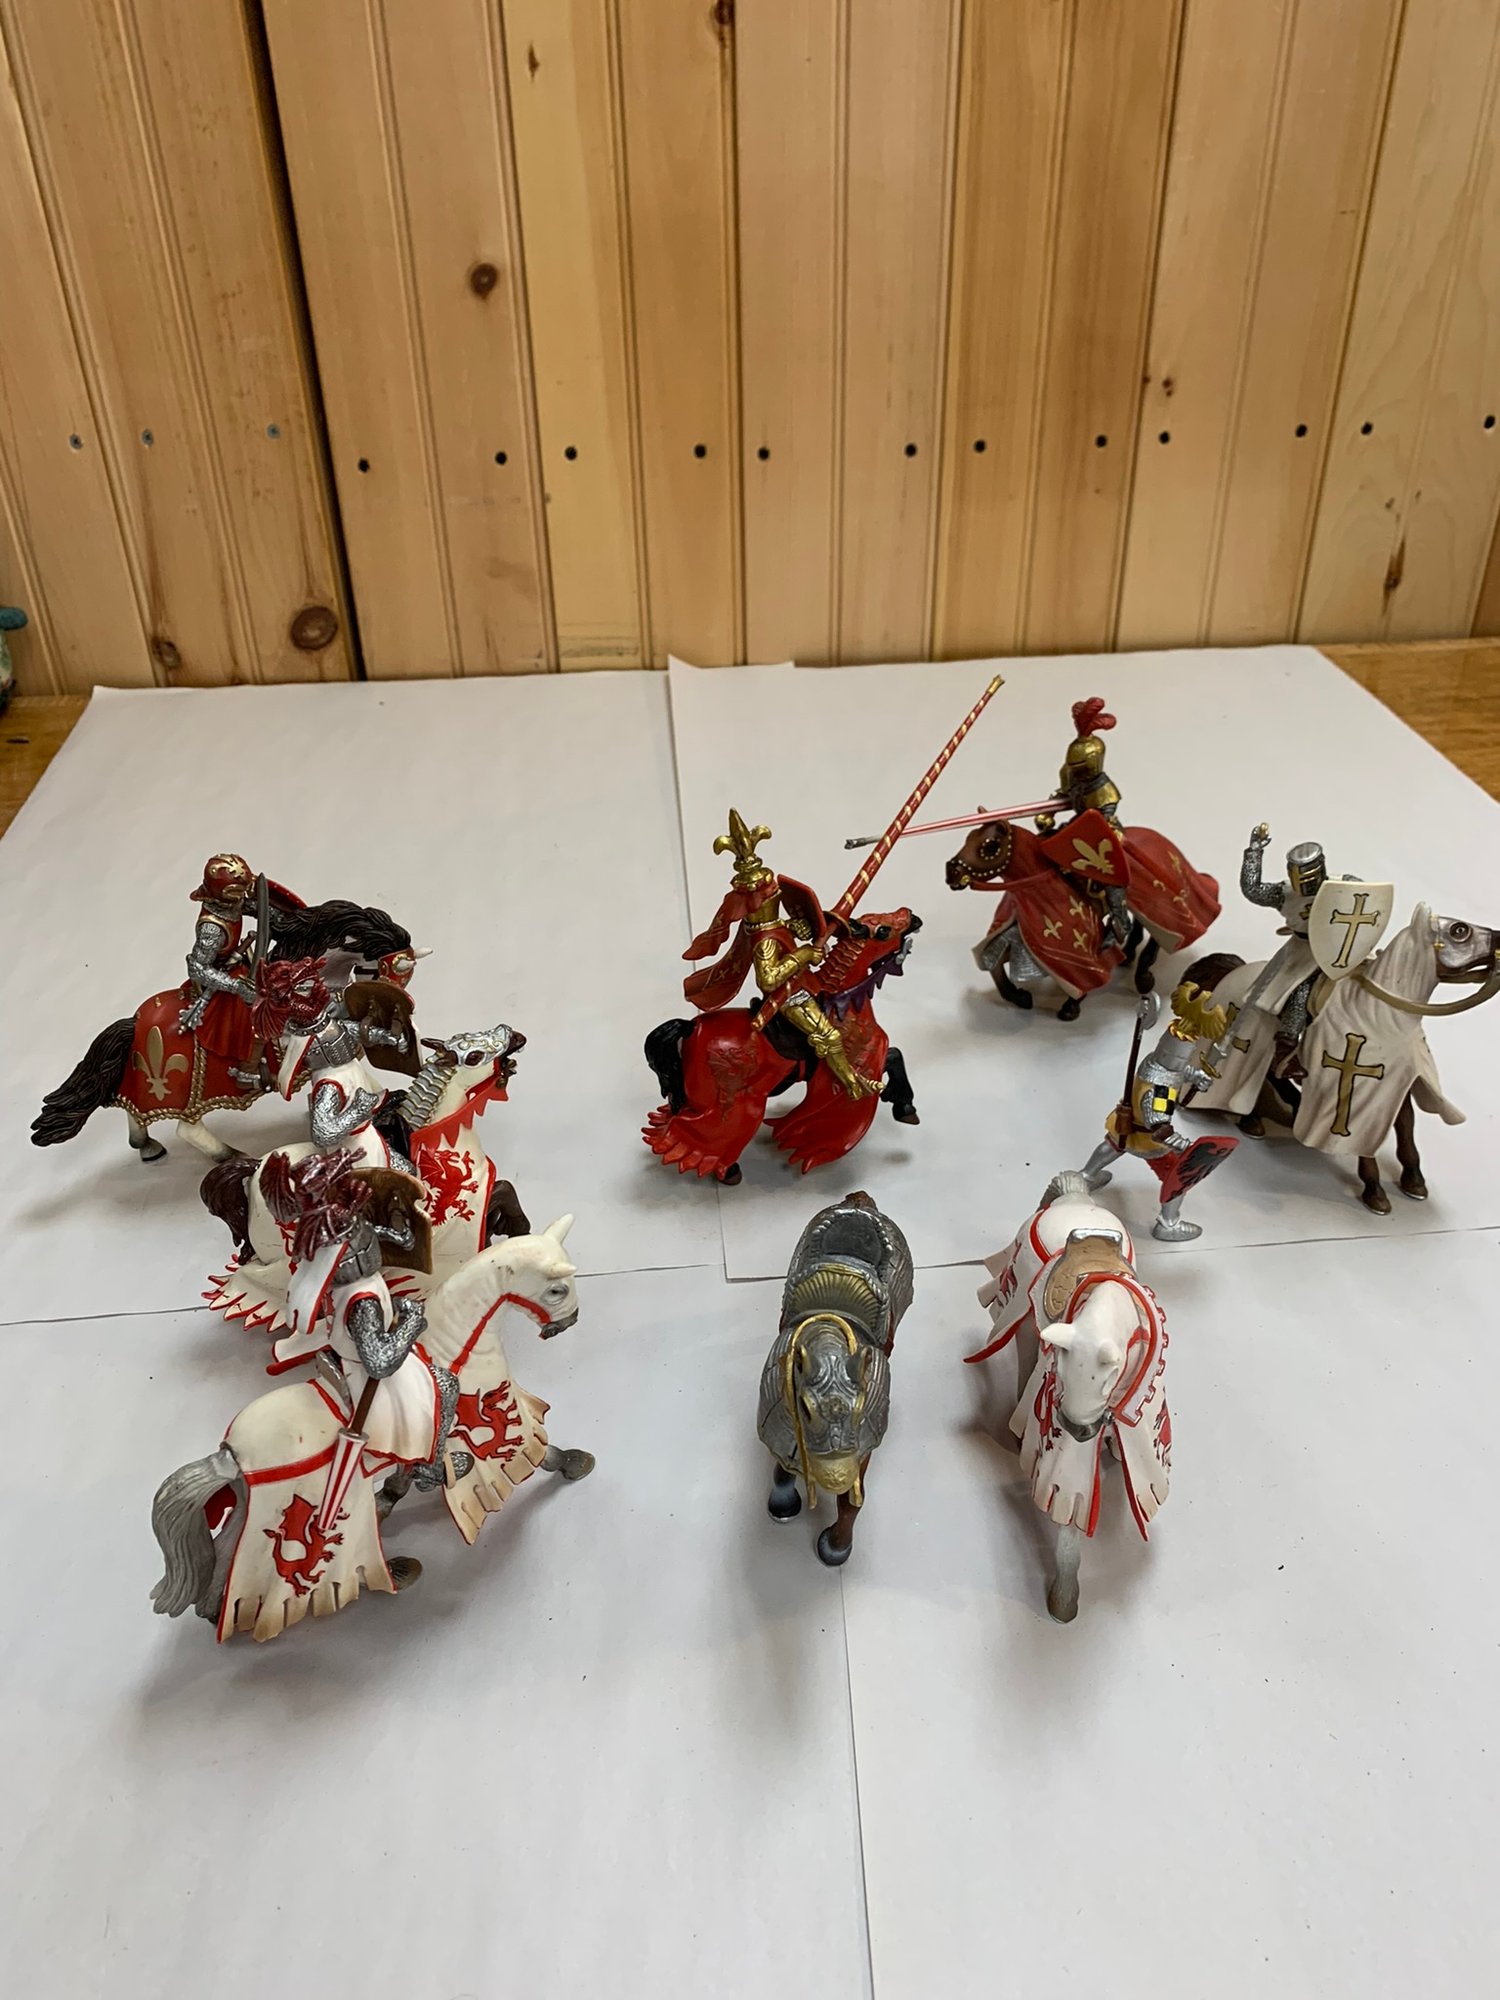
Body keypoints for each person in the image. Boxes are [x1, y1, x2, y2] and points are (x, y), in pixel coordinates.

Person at [682, 810, 881, 1100]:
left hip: (805, 983)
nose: (776, 893)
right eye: (771, 891)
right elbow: (768, 978)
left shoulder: (769, 927)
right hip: (790, 997)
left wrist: (797, 926)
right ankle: (853, 1085)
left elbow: (782, 931)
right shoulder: (763, 941)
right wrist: (804, 955)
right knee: (830, 1035)